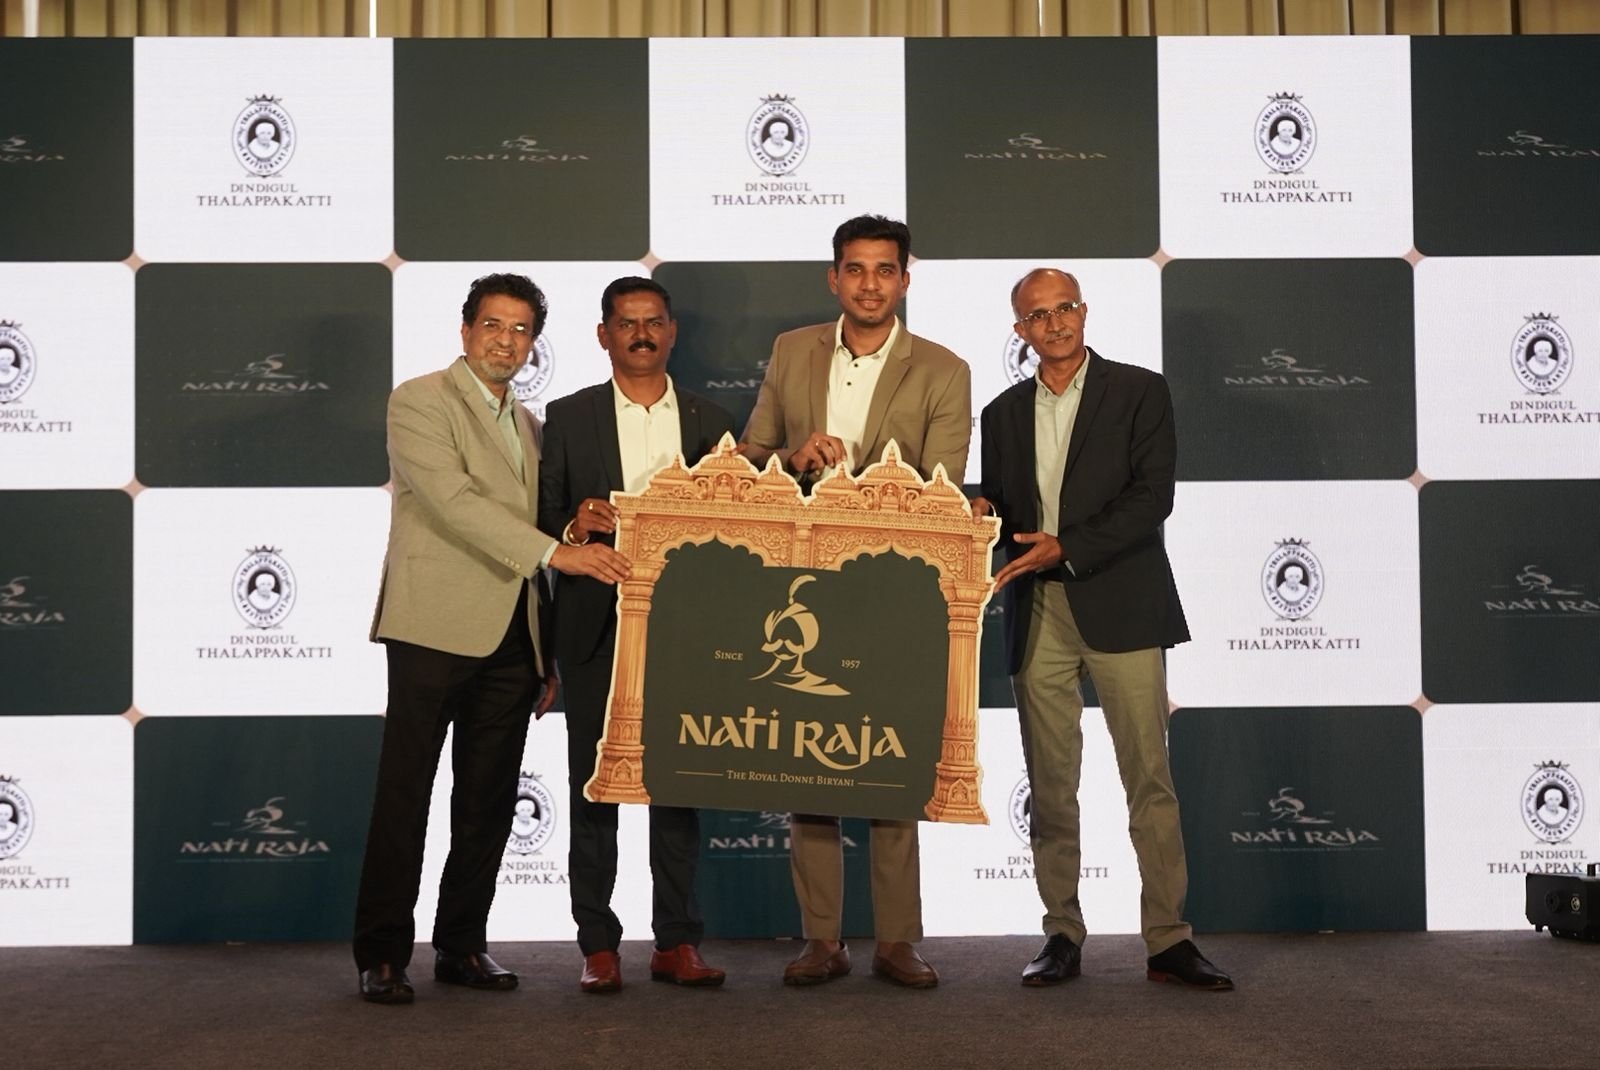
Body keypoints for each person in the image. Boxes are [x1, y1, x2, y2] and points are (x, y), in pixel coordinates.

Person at [352, 273, 630, 1006]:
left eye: (521, 330)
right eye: (493, 326)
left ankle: (461, 945)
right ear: (465, 330)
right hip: (433, 628)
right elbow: (454, 503)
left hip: (515, 637)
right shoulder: (419, 401)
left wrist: (572, 531)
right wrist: (559, 552)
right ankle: (382, 955)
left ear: (532, 343)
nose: (506, 341)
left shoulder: (532, 425)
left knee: (488, 800)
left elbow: (531, 526)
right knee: (405, 795)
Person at [972, 267, 1232, 992]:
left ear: (1084, 313)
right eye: (1037, 316)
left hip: (1122, 604)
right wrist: (978, 517)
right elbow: (1002, 511)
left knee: (1149, 779)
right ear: (1020, 331)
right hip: (1038, 614)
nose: (1054, 324)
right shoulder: (1000, 413)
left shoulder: (1140, 391)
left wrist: (1069, 546)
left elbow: (1153, 497)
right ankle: (1061, 933)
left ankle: (1169, 939)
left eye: (1065, 308)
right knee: (1051, 786)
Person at [741, 214, 971, 989]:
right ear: (833, 278)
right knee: (806, 764)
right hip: (798, 584)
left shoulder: (943, 368)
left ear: (904, 279)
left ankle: (897, 940)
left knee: (889, 763)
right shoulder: (790, 351)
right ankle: (822, 939)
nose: (869, 284)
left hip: (893, 591)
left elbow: (944, 491)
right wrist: (791, 458)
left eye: (884, 270)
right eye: (855, 269)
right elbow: (748, 461)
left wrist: (863, 483)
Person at [538, 276, 736, 994]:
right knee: (593, 790)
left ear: (672, 332)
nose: (642, 334)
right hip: (593, 630)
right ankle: (597, 946)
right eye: (627, 323)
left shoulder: (714, 421)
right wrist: (573, 527)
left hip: (687, 633)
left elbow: (739, 533)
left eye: (654, 322)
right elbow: (540, 522)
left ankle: (677, 942)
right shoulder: (567, 416)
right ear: (604, 335)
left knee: (678, 788)